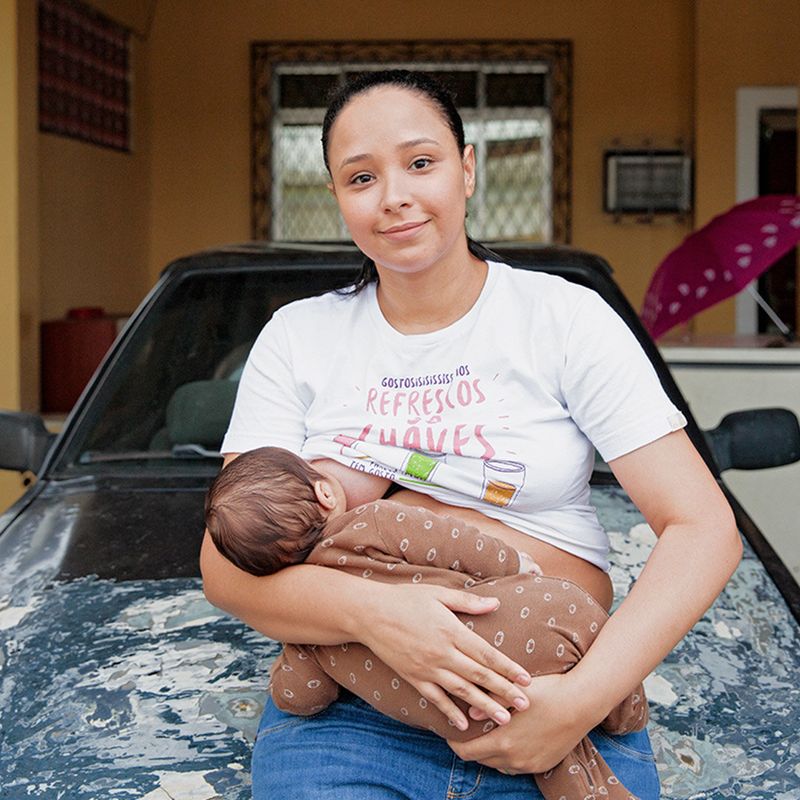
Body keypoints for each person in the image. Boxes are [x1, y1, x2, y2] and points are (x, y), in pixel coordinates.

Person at [200, 69, 742, 799]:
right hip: (355, 713)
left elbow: (703, 528)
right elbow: (227, 563)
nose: (393, 195)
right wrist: (381, 616)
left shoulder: (563, 319)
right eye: (361, 177)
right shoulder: (299, 337)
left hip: (555, 697)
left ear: (467, 169)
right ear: (337, 198)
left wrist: (578, 702)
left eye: (420, 163)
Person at [204, 444, 650, 800]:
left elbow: (300, 696)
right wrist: (515, 563)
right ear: (325, 492)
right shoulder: (374, 522)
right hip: (527, 623)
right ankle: (623, 710)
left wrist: (281, 669)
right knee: (574, 624)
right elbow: (453, 543)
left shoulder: (310, 630)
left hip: (459, 714)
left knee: (529, 735)